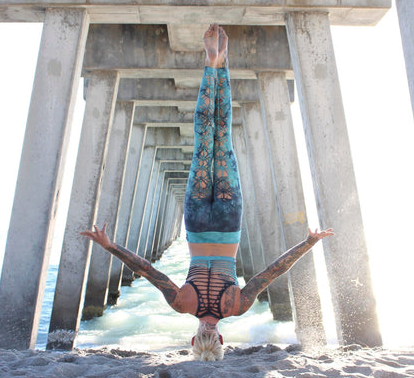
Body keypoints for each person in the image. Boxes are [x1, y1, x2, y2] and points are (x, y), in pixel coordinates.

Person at [81, 24, 334, 361]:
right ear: (191, 341)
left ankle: (223, 62)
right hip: (198, 223)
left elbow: (272, 271)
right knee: (205, 140)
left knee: (223, 139)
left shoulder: (236, 306)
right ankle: (210, 61)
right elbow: (147, 270)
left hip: (228, 224)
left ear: (222, 340)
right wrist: (109, 245)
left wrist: (309, 243)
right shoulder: (182, 302)